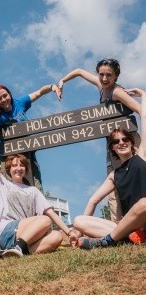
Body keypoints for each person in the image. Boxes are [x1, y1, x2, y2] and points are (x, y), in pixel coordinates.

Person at [58, 59, 141, 222]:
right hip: (112, 145)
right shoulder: (101, 86)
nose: (104, 78)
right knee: (112, 186)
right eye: (101, 74)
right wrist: (62, 81)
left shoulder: (116, 92)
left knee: (136, 181)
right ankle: (117, 227)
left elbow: (139, 109)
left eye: (108, 75)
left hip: (129, 142)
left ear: (116, 76)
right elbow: (79, 71)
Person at [0, 127, 78, 259]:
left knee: (56, 236)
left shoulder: (33, 191)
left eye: (21, 165)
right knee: (45, 220)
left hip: (27, 235)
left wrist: (69, 232)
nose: (18, 168)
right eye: (14, 166)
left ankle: (13, 253)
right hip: (8, 232)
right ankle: (17, 246)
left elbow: (50, 212)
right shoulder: (2, 183)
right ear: (8, 169)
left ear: (26, 169)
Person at [74, 87, 146, 249]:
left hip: (144, 212)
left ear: (131, 141)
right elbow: (94, 200)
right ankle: (129, 237)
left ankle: (109, 241)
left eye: (124, 139)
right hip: (131, 225)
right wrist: (79, 232)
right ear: (112, 148)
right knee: (79, 221)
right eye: (116, 141)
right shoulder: (115, 175)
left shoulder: (141, 156)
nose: (121, 143)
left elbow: (144, 116)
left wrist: (143, 95)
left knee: (144, 203)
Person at [0, 83, 62, 192]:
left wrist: (52, 87)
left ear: (10, 94)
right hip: (8, 158)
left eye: (5, 95)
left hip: (28, 153)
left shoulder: (19, 103)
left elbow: (38, 93)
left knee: (36, 189)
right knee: (11, 191)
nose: (4, 100)